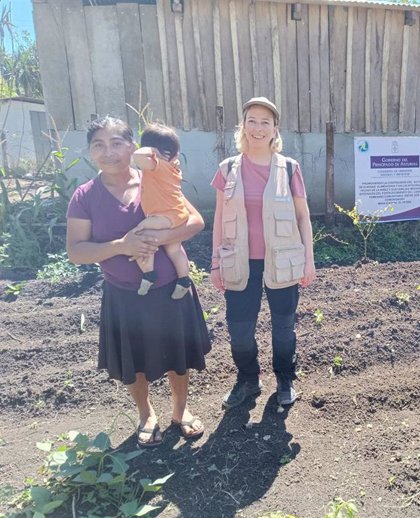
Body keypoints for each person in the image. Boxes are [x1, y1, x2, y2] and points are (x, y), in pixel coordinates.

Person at [66, 116, 211, 448]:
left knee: (178, 356)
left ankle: (180, 410)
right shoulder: (85, 196)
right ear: (90, 152)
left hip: (169, 291)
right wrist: (122, 247)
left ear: (133, 146)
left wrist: (159, 239)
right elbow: (76, 251)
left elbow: (196, 221)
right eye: (98, 145)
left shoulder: (153, 178)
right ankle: (146, 414)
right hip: (124, 295)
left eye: (117, 142)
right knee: (136, 361)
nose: (109, 152)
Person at [210, 97, 316, 409]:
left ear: (274, 130)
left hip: (282, 262)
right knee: (239, 329)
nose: (258, 127)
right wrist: (215, 263)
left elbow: (303, 217)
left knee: (283, 326)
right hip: (238, 261)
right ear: (243, 126)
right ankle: (248, 379)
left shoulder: (289, 168)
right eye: (252, 120)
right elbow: (217, 218)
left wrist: (309, 260)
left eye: (265, 122)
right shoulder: (227, 169)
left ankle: (284, 378)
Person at [131, 123, 191, 299]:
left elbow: (136, 156)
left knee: (142, 234)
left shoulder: (158, 166)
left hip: (165, 216)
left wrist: (150, 151)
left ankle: (149, 274)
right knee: (174, 250)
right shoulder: (173, 168)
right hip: (177, 214)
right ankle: (184, 280)